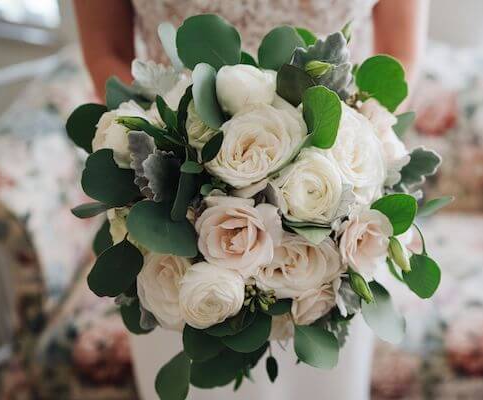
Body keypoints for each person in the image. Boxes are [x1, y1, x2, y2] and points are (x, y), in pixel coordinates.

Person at [72, 1, 428, 399]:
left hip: (337, 213)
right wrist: (187, 163)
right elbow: (107, 52)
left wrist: (335, 163)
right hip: (172, 214)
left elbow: (401, 54)